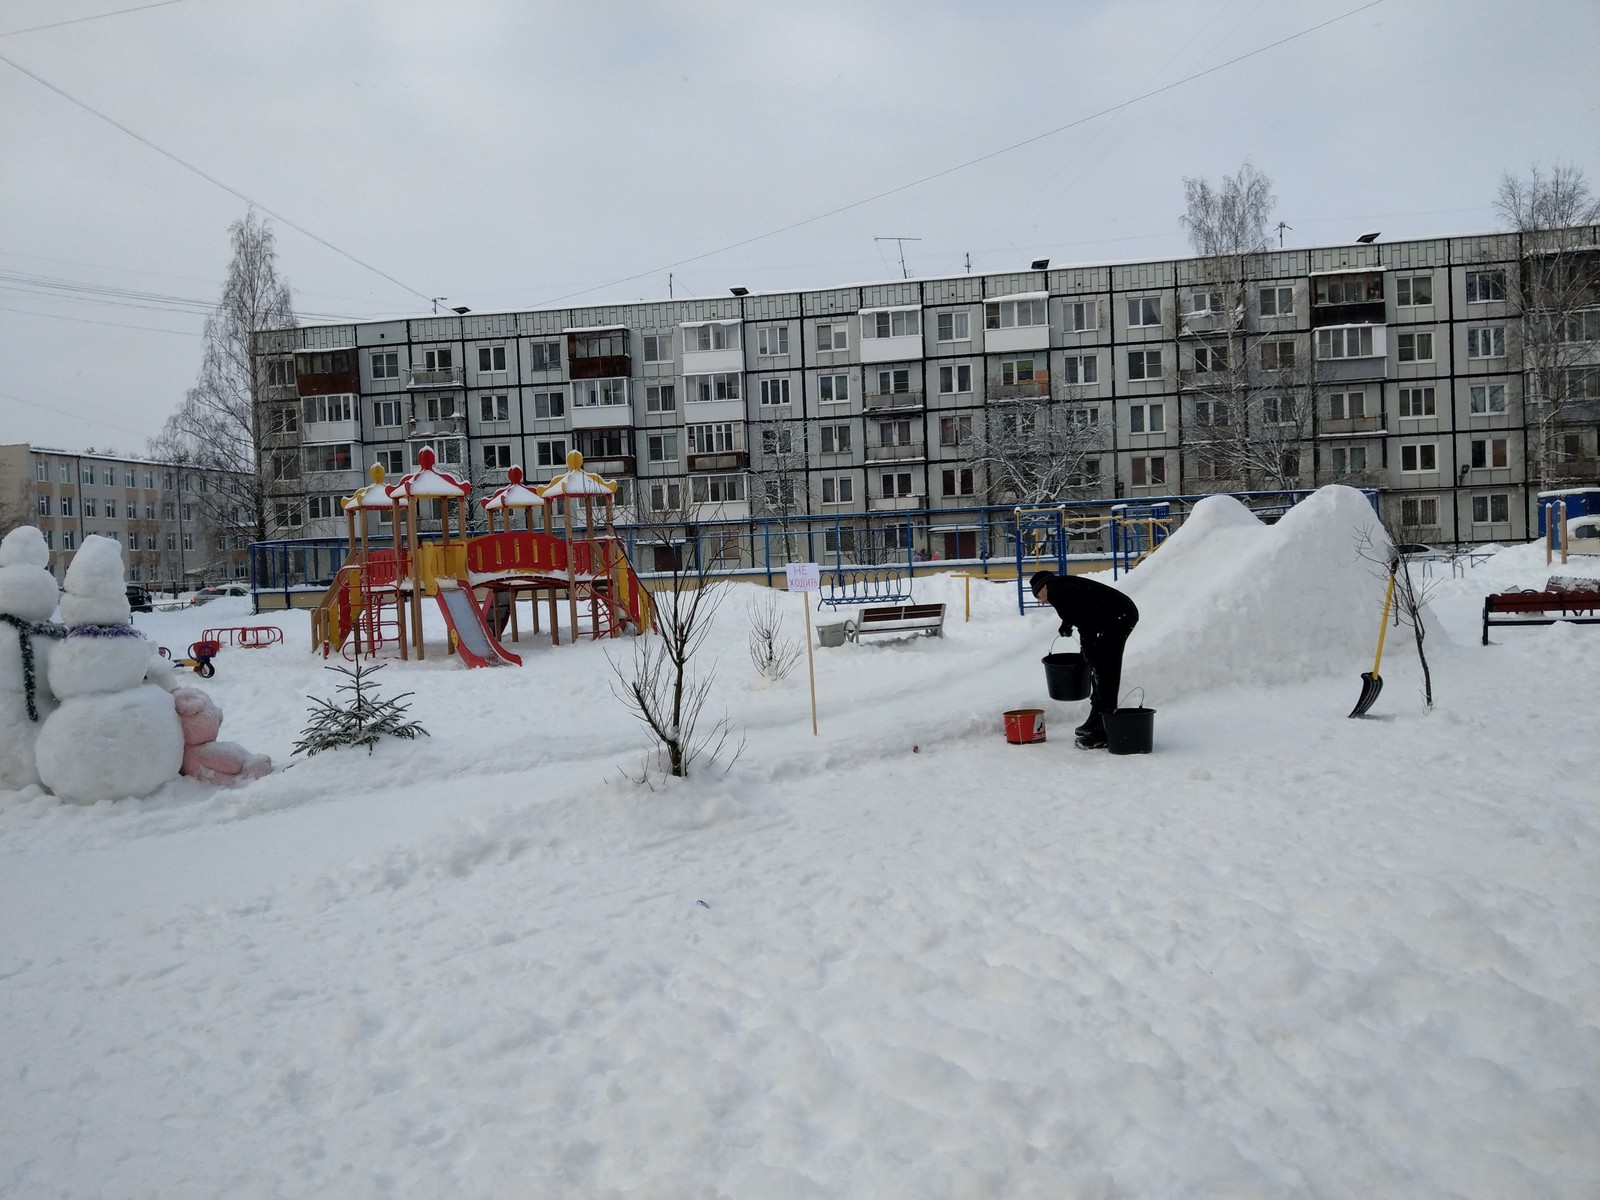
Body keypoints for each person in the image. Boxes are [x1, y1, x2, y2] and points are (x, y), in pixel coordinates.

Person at [1030, 569, 1139, 749]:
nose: (1041, 601)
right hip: (1116, 614)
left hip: (1118, 617)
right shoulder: (1061, 588)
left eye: (1038, 596)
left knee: (1106, 669)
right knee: (1099, 667)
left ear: (1043, 587)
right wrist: (1066, 626)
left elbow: (1085, 622)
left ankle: (1104, 732)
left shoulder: (1059, 592)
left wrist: (1088, 653)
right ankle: (1096, 719)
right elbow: (1076, 609)